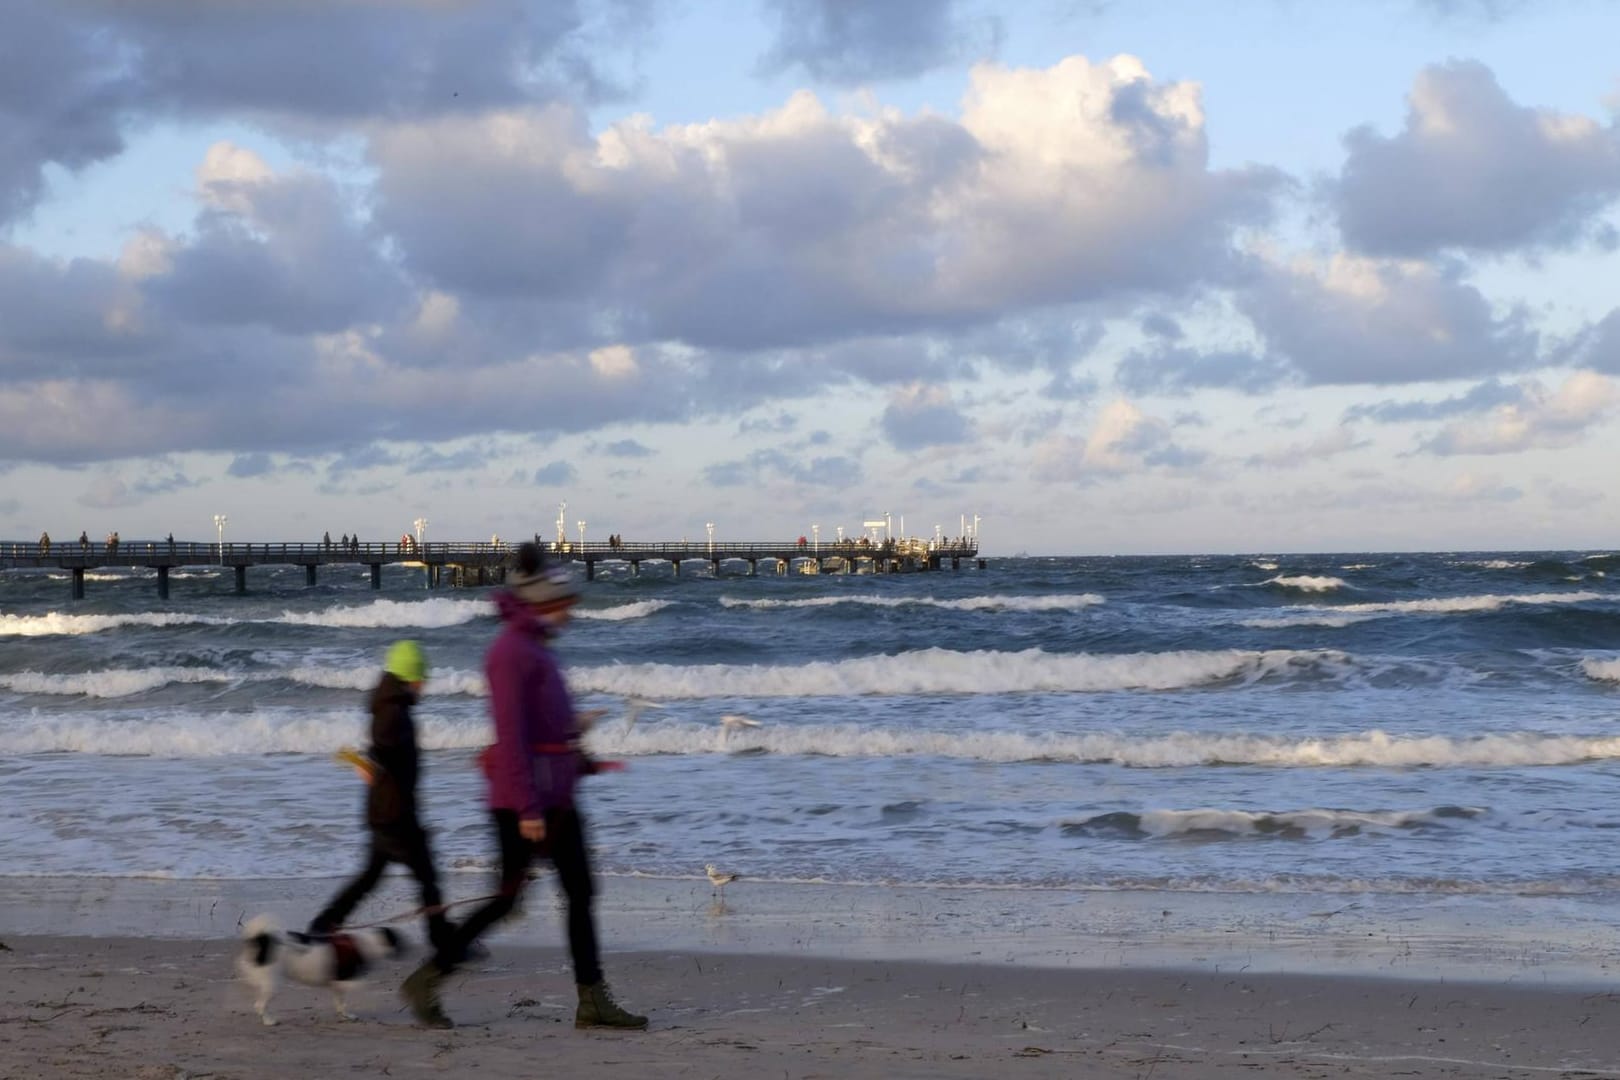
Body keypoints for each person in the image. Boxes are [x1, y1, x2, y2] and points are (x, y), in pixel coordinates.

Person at [401, 543, 645, 1031]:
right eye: (560, 604)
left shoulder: (538, 648)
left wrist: (575, 732)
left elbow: (542, 728)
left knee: (579, 889)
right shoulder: (509, 653)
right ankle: (427, 978)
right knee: (506, 900)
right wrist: (529, 809)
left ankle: (592, 1000)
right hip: (523, 803)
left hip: (557, 796)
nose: (568, 612)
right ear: (538, 603)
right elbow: (511, 737)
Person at [308, 640, 456, 957]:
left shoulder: (390, 703)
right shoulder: (393, 710)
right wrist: (372, 763)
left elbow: (381, 750)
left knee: (371, 876)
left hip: (387, 811)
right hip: (396, 814)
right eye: (421, 678)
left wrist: (370, 763)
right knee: (427, 877)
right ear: (410, 677)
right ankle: (444, 941)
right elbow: (383, 745)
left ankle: (324, 923)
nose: (424, 684)